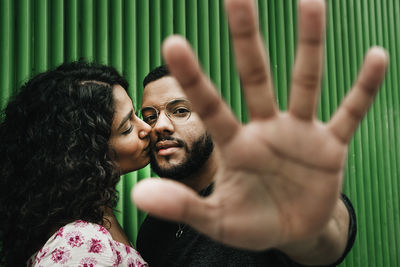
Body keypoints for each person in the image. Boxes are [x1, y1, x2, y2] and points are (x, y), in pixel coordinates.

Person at [132, 0, 388, 266]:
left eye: (180, 110)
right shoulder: (152, 230)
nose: (159, 125)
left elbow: (324, 239)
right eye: (149, 116)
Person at [0, 61, 151, 266]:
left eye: (137, 115)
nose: (147, 129)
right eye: (127, 128)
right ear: (86, 154)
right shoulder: (82, 242)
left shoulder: (97, 215)